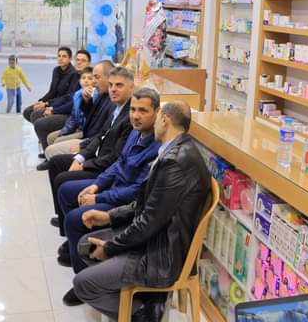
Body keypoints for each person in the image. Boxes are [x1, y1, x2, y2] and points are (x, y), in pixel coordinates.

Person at [72, 102, 211, 322]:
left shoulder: (174, 162)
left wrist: (109, 248)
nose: (154, 123)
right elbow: (146, 204)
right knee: (85, 245)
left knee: (82, 284)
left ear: (164, 119)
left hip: (160, 254)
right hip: (156, 239)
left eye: (156, 118)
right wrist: (109, 216)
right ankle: (144, 300)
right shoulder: (175, 150)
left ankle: (140, 315)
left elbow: (149, 222)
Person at [57, 88, 161, 306]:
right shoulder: (135, 132)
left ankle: (83, 278)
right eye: (133, 110)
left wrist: (99, 198)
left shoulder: (157, 147)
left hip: (125, 203)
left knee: (74, 219)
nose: (135, 116)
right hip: (113, 188)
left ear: (157, 113)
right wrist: (96, 185)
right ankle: (78, 247)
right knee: (66, 190)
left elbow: (137, 191)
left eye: (143, 111)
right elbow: (118, 164)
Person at [46, 65, 134, 231]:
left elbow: (115, 158)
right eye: (111, 85)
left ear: (131, 88)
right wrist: (81, 156)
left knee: (63, 180)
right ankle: (64, 221)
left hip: (104, 167)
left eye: (119, 85)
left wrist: (85, 164)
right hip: (96, 156)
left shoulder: (130, 115)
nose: (113, 89)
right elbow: (99, 136)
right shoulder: (116, 107)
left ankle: (71, 224)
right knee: (56, 163)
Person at [37, 60, 115, 171]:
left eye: (96, 77)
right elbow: (69, 101)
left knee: (51, 148)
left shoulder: (111, 99)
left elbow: (103, 133)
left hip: (88, 138)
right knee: (47, 133)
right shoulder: (100, 94)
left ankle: (60, 168)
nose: (93, 82)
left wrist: (83, 146)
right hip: (85, 132)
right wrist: (86, 101)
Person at [43, 66, 95, 160]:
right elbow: (73, 117)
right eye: (83, 78)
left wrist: (64, 133)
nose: (86, 81)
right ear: (80, 80)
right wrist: (64, 131)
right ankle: (50, 161)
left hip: (85, 130)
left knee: (58, 140)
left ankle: (57, 161)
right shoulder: (77, 94)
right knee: (50, 137)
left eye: (90, 78)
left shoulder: (95, 95)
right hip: (76, 127)